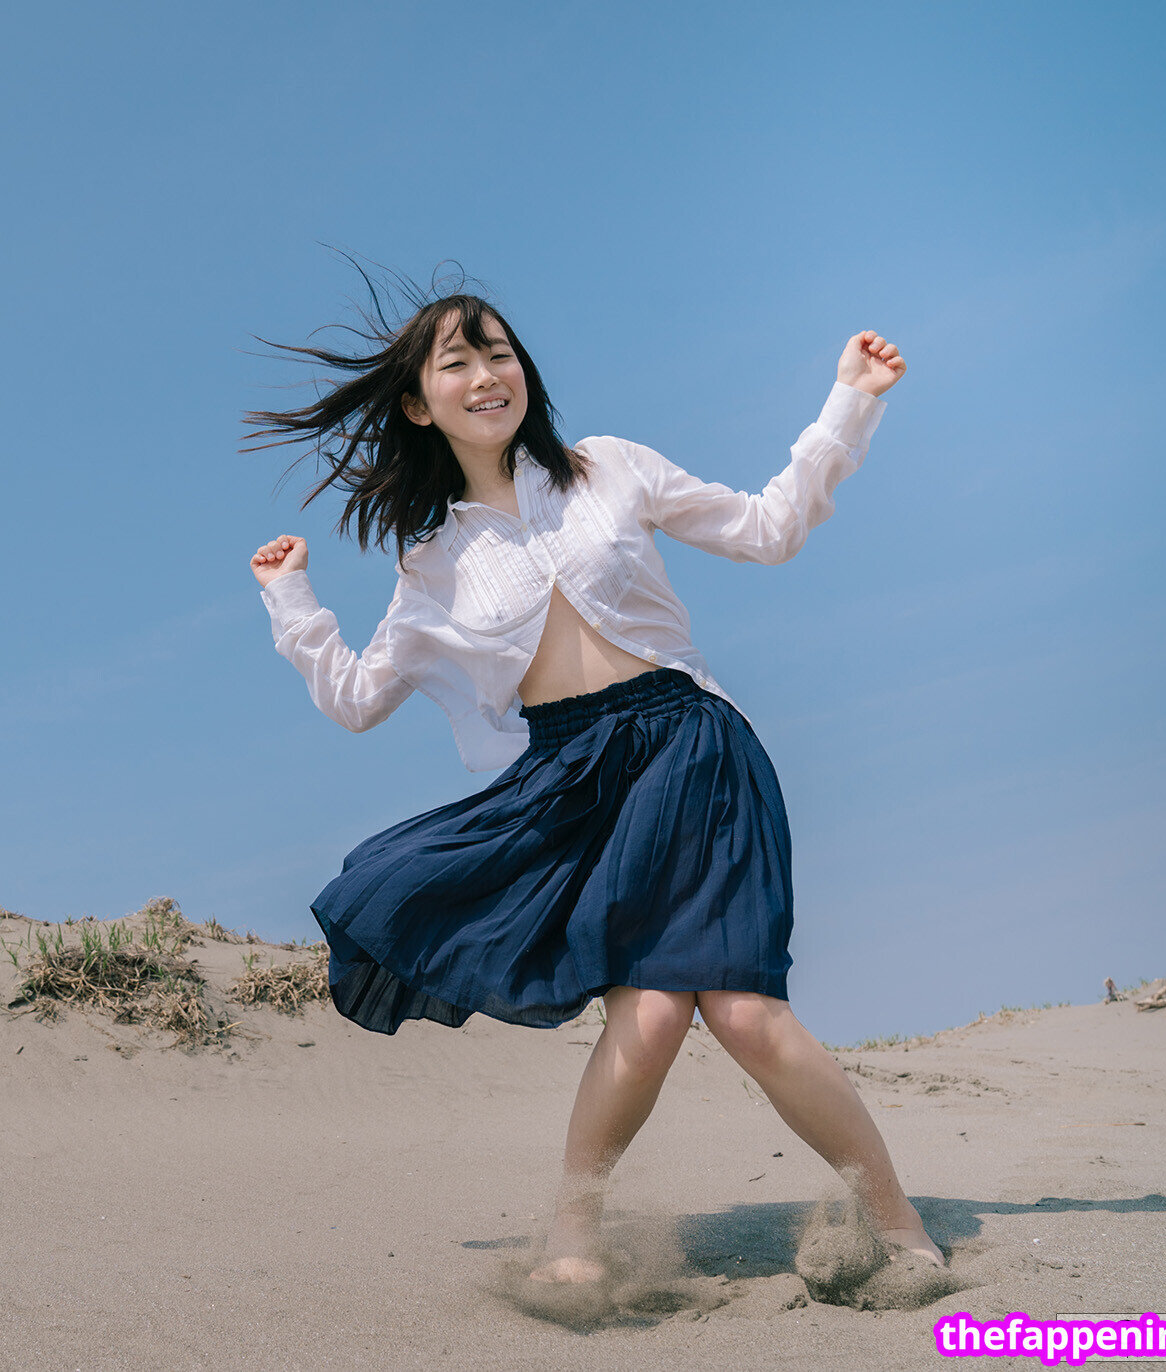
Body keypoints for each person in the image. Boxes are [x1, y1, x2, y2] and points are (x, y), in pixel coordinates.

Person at [244, 276, 940, 1286]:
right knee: (648, 1017)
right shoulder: (431, 562)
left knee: (744, 1012)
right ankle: (573, 1239)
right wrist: (291, 600)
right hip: (573, 779)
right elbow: (357, 698)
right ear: (418, 405)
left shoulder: (607, 467)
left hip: (691, 746)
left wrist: (850, 401)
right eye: (457, 363)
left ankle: (899, 1226)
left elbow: (768, 527)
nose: (487, 374)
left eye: (499, 353)